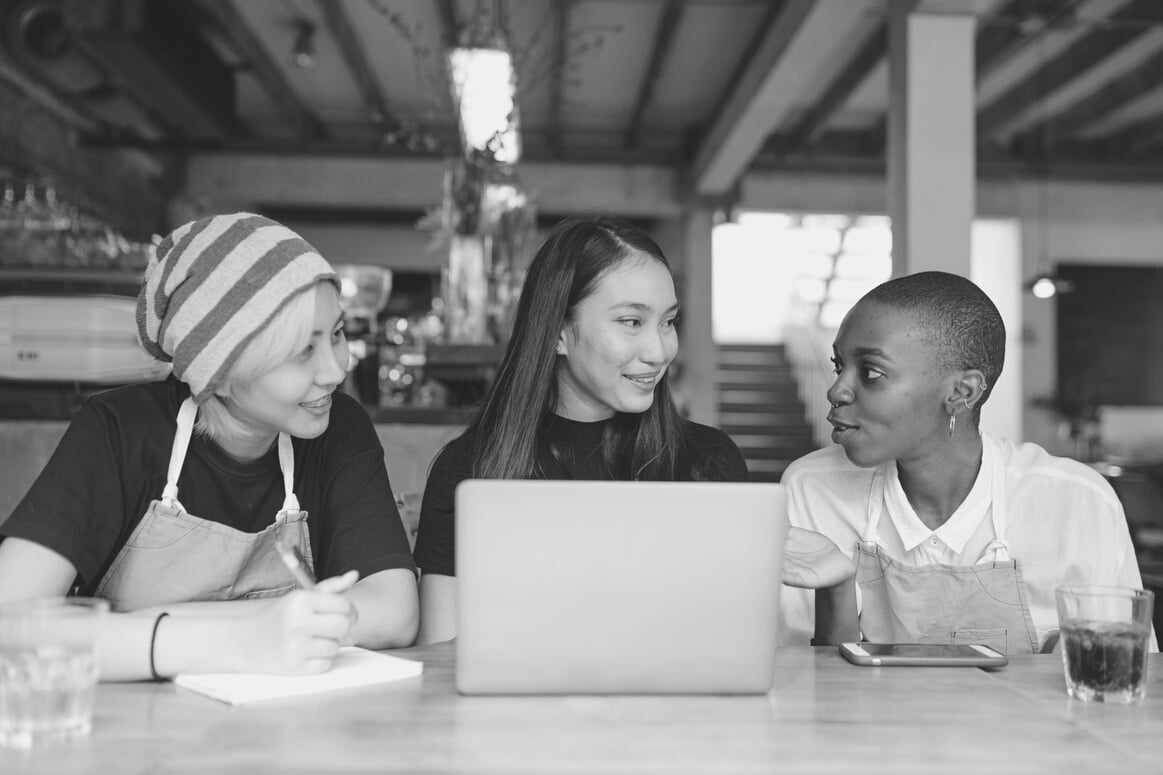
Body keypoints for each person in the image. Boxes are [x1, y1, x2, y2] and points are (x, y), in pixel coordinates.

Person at [0, 212, 419, 680]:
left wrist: (131, 633)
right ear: (217, 374)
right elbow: (12, 625)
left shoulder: (338, 428)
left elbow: (393, 610)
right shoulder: (119, 431)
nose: (336, 370)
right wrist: (241, 640)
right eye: (303, 351)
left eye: (337, 335)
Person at [413, 215, 852, 644]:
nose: (659, 350)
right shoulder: (470, 469)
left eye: (668, 322)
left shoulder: (707, 461)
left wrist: (834, 585)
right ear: (557, 334)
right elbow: (440, 656)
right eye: (631, 322)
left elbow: (745, 646)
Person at [781, 270, 1152, 653]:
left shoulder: (1077, 502)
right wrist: (837, 589)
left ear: (962, 392)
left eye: (872, 372)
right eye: (840, 365)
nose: (836, 389)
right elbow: (803, 685)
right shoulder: (811, 489)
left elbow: (1124, 683)